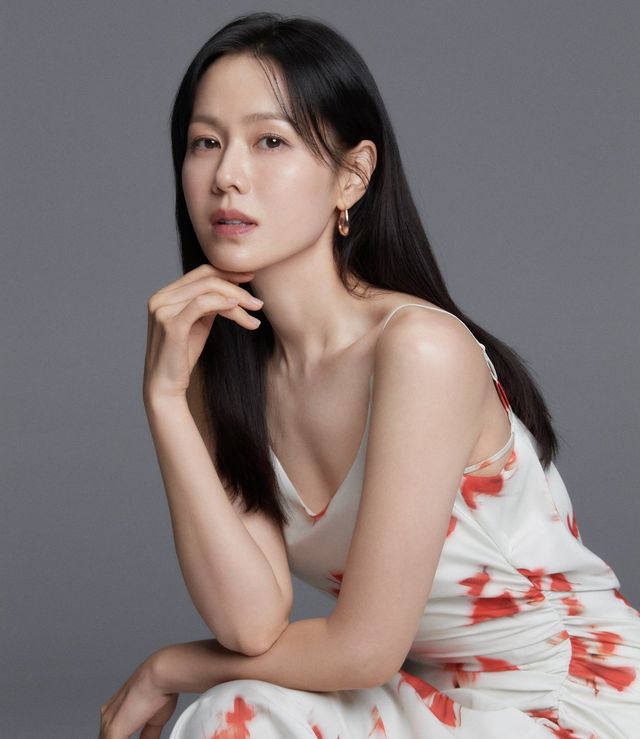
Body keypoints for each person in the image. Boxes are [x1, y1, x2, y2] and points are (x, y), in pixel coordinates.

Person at [98, 11, 640, 739]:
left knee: (221, 700)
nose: (227, 176)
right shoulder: (221, 374)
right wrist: (165, 399)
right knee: (232, 714)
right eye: (205, 142)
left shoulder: (418, 349)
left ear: (351, 176)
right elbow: (251, 622)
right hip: (430, 703)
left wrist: (170, 666)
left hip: (575, 701)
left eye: (269, 141)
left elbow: (364, 649)